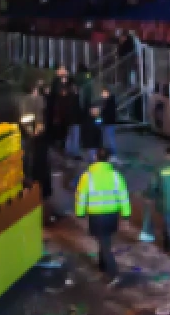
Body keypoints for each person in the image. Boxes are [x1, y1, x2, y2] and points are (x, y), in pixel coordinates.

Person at [75, 148, 131, 286]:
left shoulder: (87, 177)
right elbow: (123, 196)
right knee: (104, 240)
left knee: (104, 244)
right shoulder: (116, 176)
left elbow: (81, 196)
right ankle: (102, 265)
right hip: (112, 215)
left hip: (96, 215)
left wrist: (80, 213)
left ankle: (113, 273)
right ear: (109, 159)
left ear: (95, 157)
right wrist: (126, 215)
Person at [52, 67, 83, 158]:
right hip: (67, 116)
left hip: (72, 116)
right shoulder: (58, 86)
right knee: (70, 134)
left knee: (73, 134)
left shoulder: (71, 88)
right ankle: (70, 151)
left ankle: (72, 151)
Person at [99, 88, 118, 157]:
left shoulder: (110, 102)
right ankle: (108, 153)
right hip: (106, 123)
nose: (102, 95)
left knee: (110, 139)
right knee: (107, 139)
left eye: (103, 93)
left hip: (109, 123)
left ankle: (113, 154)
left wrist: (102, 120)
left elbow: (109, 114)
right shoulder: (105, 101)